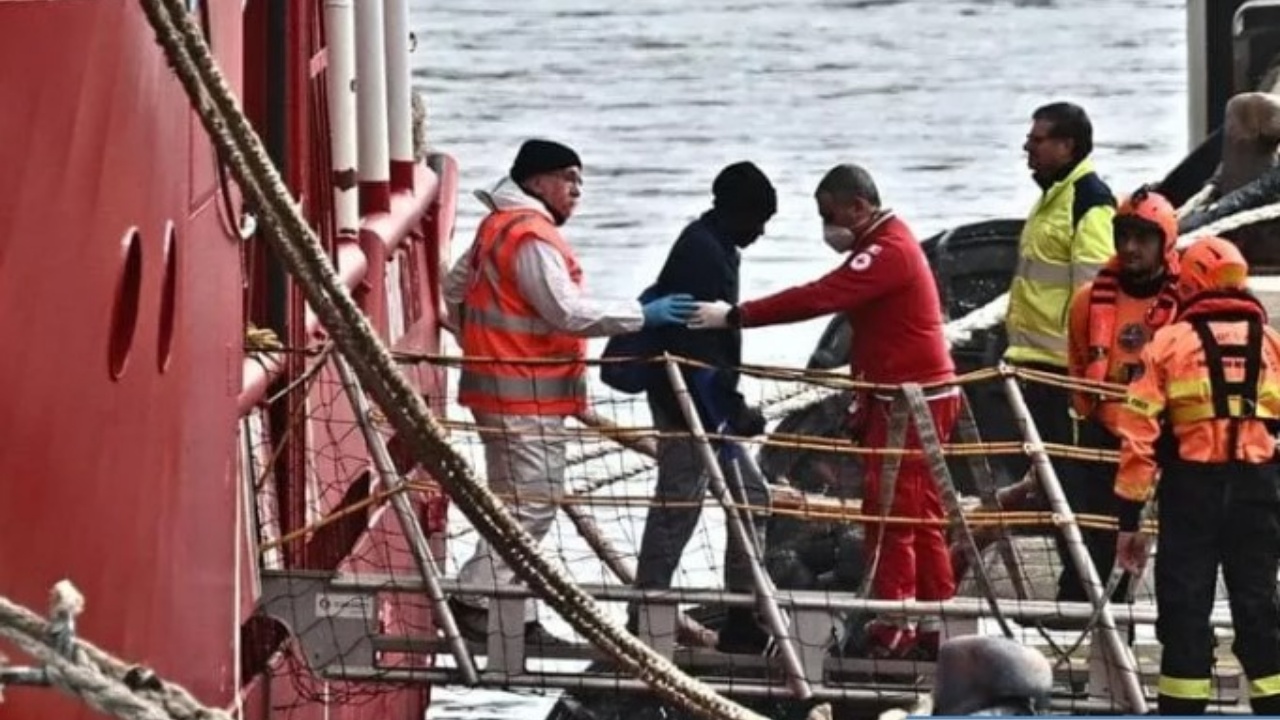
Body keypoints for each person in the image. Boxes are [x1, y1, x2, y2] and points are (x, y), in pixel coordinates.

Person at [690, 163, 957, 659]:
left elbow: (819, 296)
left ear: (859, 206)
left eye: (829, 215)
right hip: (902, 396)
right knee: (915, 513)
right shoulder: (887, 245)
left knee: (894, 513)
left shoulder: (886, 251)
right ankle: (935, 619)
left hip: (910, 401)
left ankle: (896, 621)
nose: (826, 227)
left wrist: (738, 315)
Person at [442, 139, 697, 646]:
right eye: (568, 178)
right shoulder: (531, 236)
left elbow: (453, 290)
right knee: (533, 507)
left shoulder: (496, 226)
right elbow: (567, 312)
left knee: (514, 505)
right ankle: (473, 600)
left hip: (500, 390)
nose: (577, 189)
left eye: (580, 179)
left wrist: (479, 343)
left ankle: (516, 617)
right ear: (536, 182)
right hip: (525, 397)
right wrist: (643, 315)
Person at [1113, 236, 1280, 716]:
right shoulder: (1271, 345)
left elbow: (1138, 437)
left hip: (1191, 494)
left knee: (1185, 612)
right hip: (1258, 493)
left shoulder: (1169, 343)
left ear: (1190, 284)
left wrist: (1129, 521)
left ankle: (1183, 712)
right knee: (1259, 609)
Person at [629, 161, 777, 653]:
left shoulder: (718, 246)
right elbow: (696, 349)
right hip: (689, 407)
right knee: (678, 507)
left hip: (707, 405)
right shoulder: (703, 253)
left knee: (749, 497)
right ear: (736, 212)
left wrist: (727, 408)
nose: (761, 232)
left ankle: (741, 616)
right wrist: (733, 410)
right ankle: (645, 613)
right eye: (758, 220)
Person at [1056, 188, 1180, 606]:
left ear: (1165, 242)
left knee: (1171, 548)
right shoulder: (1087, 301)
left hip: (1165, 443)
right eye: (1123, 236)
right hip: (1103, 440)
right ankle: (1083, 610)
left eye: (1142, 238)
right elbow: (1077, 363)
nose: (1129, 247)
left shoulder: (1185, 302)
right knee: (1092, 540)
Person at [1003, 102, 1116, 480]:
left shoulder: (1089, 202)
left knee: (1065, 474)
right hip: (1033, 359)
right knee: (1042, 471)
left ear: (1067, 146)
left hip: (1061, 368)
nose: (1027, 147)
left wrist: (1086, 367)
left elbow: (1095, 291)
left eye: (1037, 140)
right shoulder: (1052, 197)